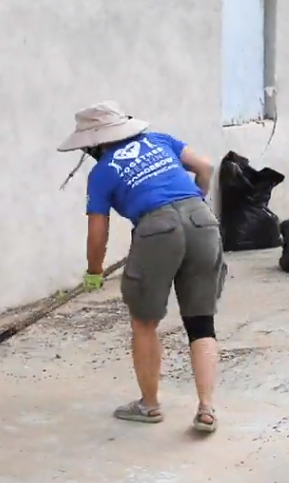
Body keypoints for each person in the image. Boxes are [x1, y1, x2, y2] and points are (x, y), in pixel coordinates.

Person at [57, 101, 225, 432]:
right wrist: (197, 200)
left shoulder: (102, 172)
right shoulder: (160, 140)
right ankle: (207, 409)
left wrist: (94, 271)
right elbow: (205, 166)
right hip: (202, 221)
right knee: (201, 321)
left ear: (94, 142)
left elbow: (97, 231)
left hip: (157, 229)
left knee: (145, 321)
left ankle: (149, 406)